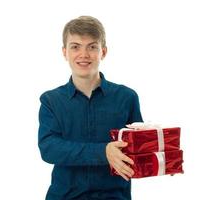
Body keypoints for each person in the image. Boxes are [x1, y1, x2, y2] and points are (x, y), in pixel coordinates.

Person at [38, 16, 143, 200]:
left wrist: (162, 162)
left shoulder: (127, 98)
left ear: (103, 52)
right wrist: (103, 152)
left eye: (92, 47)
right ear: (65, 52)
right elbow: (49, 148)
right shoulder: (50, 101)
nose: (84, 54)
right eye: (75, 46)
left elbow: (137, 149)